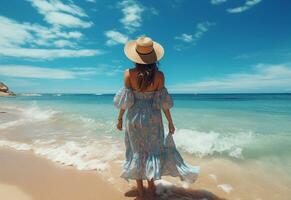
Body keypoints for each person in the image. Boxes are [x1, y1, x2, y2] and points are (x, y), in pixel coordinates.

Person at [114, 36, 199, 200]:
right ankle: (151, 190)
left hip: (134, 118)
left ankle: (140, 192)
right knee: (152, 153)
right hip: (153, 119)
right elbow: (163, 102)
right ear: (153, 58)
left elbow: (126, 101)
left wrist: (119, 119)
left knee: (136, 153)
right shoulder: (159, 76)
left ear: (135, 56)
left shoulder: (128, 74)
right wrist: (170, 122)